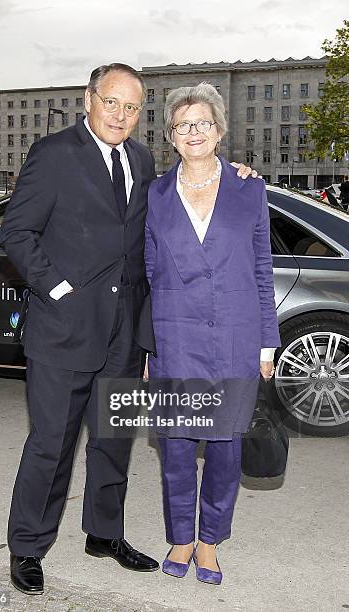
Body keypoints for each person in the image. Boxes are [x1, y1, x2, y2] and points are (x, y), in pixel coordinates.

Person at [0, 64, 257, 595]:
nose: (120, 115)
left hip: (123, 333)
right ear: (89, 99)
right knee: (52, 444)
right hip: (63, 329)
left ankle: (104, 534)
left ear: (142, 115)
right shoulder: (53, 154)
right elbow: (16, 231)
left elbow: (169, 219)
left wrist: (238, 173)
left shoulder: (141, 160)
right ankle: (28, 545)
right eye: (111, 102)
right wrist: (57, 288)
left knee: (113, 440)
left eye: (132, 107)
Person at [144, 83, 281, 585]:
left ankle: (209, 542)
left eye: (202, 122)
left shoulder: (250, 189)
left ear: (219, 131)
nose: (193, 131)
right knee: (177, 446)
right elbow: (149, 272)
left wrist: (267, 342)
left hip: (235, 340)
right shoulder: (156, 195)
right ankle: (181, 535)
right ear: (171, 139)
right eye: (183, 125)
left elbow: (262, 270)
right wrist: (147, 346)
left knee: (225, 449)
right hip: (175, 339)